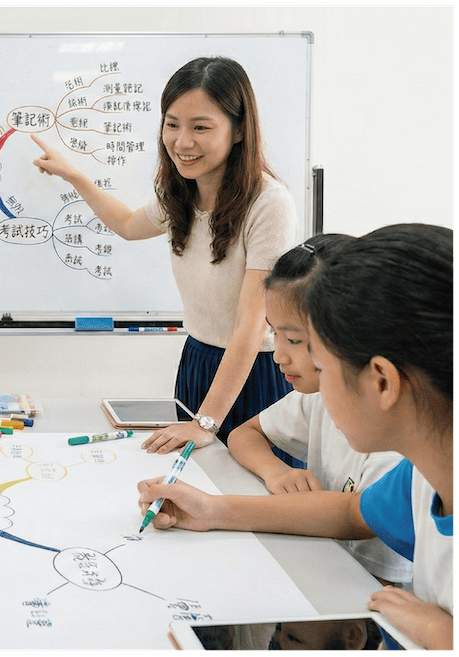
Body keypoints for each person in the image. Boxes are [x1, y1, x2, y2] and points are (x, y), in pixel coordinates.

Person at [138, 223, 454, 650]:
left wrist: (442, 635)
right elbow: (351, 514)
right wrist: (212, 510)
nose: (310, 384)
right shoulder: (422, 476)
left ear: (382, 381)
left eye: (321, 367)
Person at [32, 56, 296, 454]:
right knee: (190, 488)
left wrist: (205, 422)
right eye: (172, 124)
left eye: (201, 127)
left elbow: (250, 327)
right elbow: (127, 224)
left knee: (252, 500)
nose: (182, 141)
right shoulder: (182, 193)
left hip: (253, 371)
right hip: (197, 360)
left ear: (239, 130)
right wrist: (74, 175)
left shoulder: (269, 202)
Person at [224, 234, 411, 589]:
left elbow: (356, 520)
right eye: (273, 334)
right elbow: (245, 433)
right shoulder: (320, 395)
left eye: (293, 340)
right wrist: (273, 471)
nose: (278, 355)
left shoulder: (396, 444)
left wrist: (216, 511)